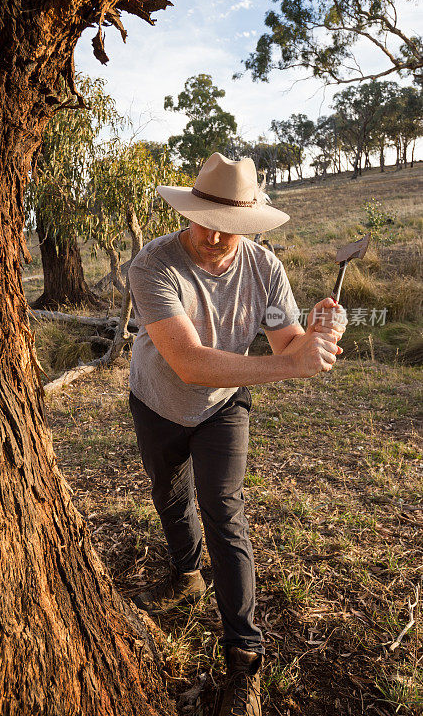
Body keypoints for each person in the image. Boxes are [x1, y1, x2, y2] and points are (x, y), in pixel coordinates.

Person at [127, 153, 347, 716]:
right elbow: (190, 363)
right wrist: (292, 364)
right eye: (201, 218)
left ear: (249, 223)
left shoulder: (265, 268)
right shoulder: (154, 264)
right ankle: (185, 575)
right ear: (188, 209)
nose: (211, 234)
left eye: (227, 226)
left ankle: (243, 655)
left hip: (225, 405)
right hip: (158, 398)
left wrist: (320, 335)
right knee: (169, 494)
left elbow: (286, 345)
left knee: (223, 508)